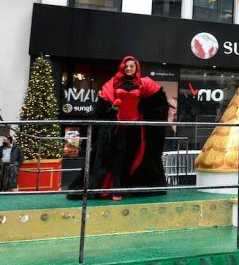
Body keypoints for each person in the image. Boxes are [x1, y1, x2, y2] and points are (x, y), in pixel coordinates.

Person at [67, 56, 169, 200]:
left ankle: (128, 187)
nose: (128, 69)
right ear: (123, 67)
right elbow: (103, 104)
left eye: (131, 66)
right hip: (119, 126)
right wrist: (111, 109)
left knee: (133, 156)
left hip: (136, 127)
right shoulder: (114, 83)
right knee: (118, 156)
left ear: (136, 68)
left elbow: (158, 101)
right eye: (126, 66)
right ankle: (116, 189)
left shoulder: (143, 83)